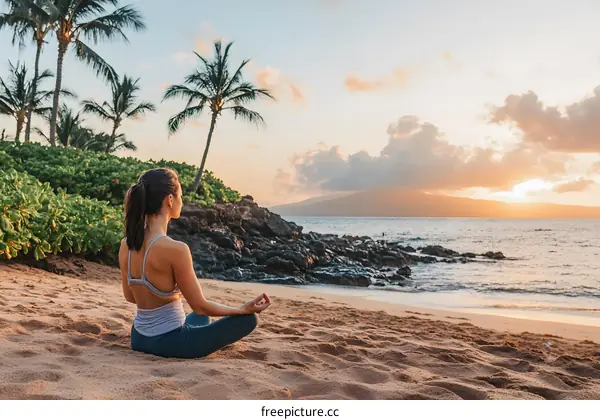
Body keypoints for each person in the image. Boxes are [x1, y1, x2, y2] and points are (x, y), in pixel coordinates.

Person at [118, 168, 271, 358]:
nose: (182, 201)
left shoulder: (126, 245)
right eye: (180, 195)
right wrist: (241, 310)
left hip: (139, 338)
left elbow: (130, 296)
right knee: (248, 320)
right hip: (171, 343)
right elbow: (199, 305)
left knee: (201, 318)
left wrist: (161, 296)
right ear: (169, 200)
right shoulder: (176, 249)